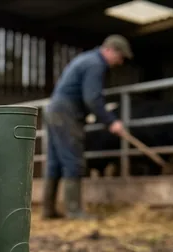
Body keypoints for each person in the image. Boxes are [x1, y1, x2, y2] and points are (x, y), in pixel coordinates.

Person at [42, 34, 133, 220]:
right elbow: (92, 98)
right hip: (67, 113)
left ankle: (47, 210)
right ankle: (74, 211)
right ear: (109, 50)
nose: (120, 61)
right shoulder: (95, 64)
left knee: (55, 163)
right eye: (120, 56)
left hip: (55, 110)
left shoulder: (86, 59)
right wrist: (111, 121)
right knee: (72, 161)